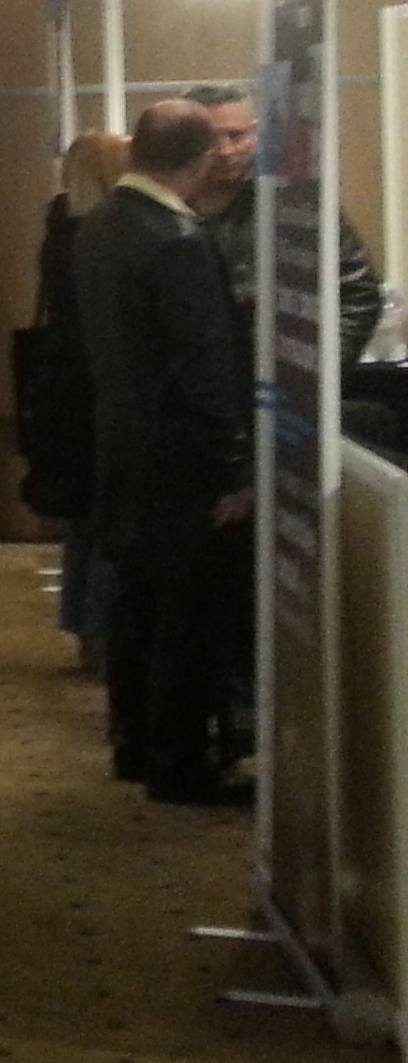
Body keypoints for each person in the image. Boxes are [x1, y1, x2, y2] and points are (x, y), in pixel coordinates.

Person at [72, 99, 254, 805]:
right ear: (202, 158)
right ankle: (180, 763)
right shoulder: (178, 240)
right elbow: (204, 367)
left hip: (122, 444)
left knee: (137, 606)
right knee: (191, 615)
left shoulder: (100, 225)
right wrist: (232, 469)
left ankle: (136, 744)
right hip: (182, 459)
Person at [21, 132, 129, 674]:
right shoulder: (110, 234)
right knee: (110, 513)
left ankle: (83, 625)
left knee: (83, 520)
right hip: (99, 390)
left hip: (63, 389)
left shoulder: (59, 228)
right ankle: (102, 628)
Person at [180, 83, 382, 361]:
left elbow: (358, 295)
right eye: (210, 139)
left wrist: (315, 367)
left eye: (236, 136)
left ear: (255, 133)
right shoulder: (159, 205)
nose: (225, 150)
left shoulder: (296, 204)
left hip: (281, 375)